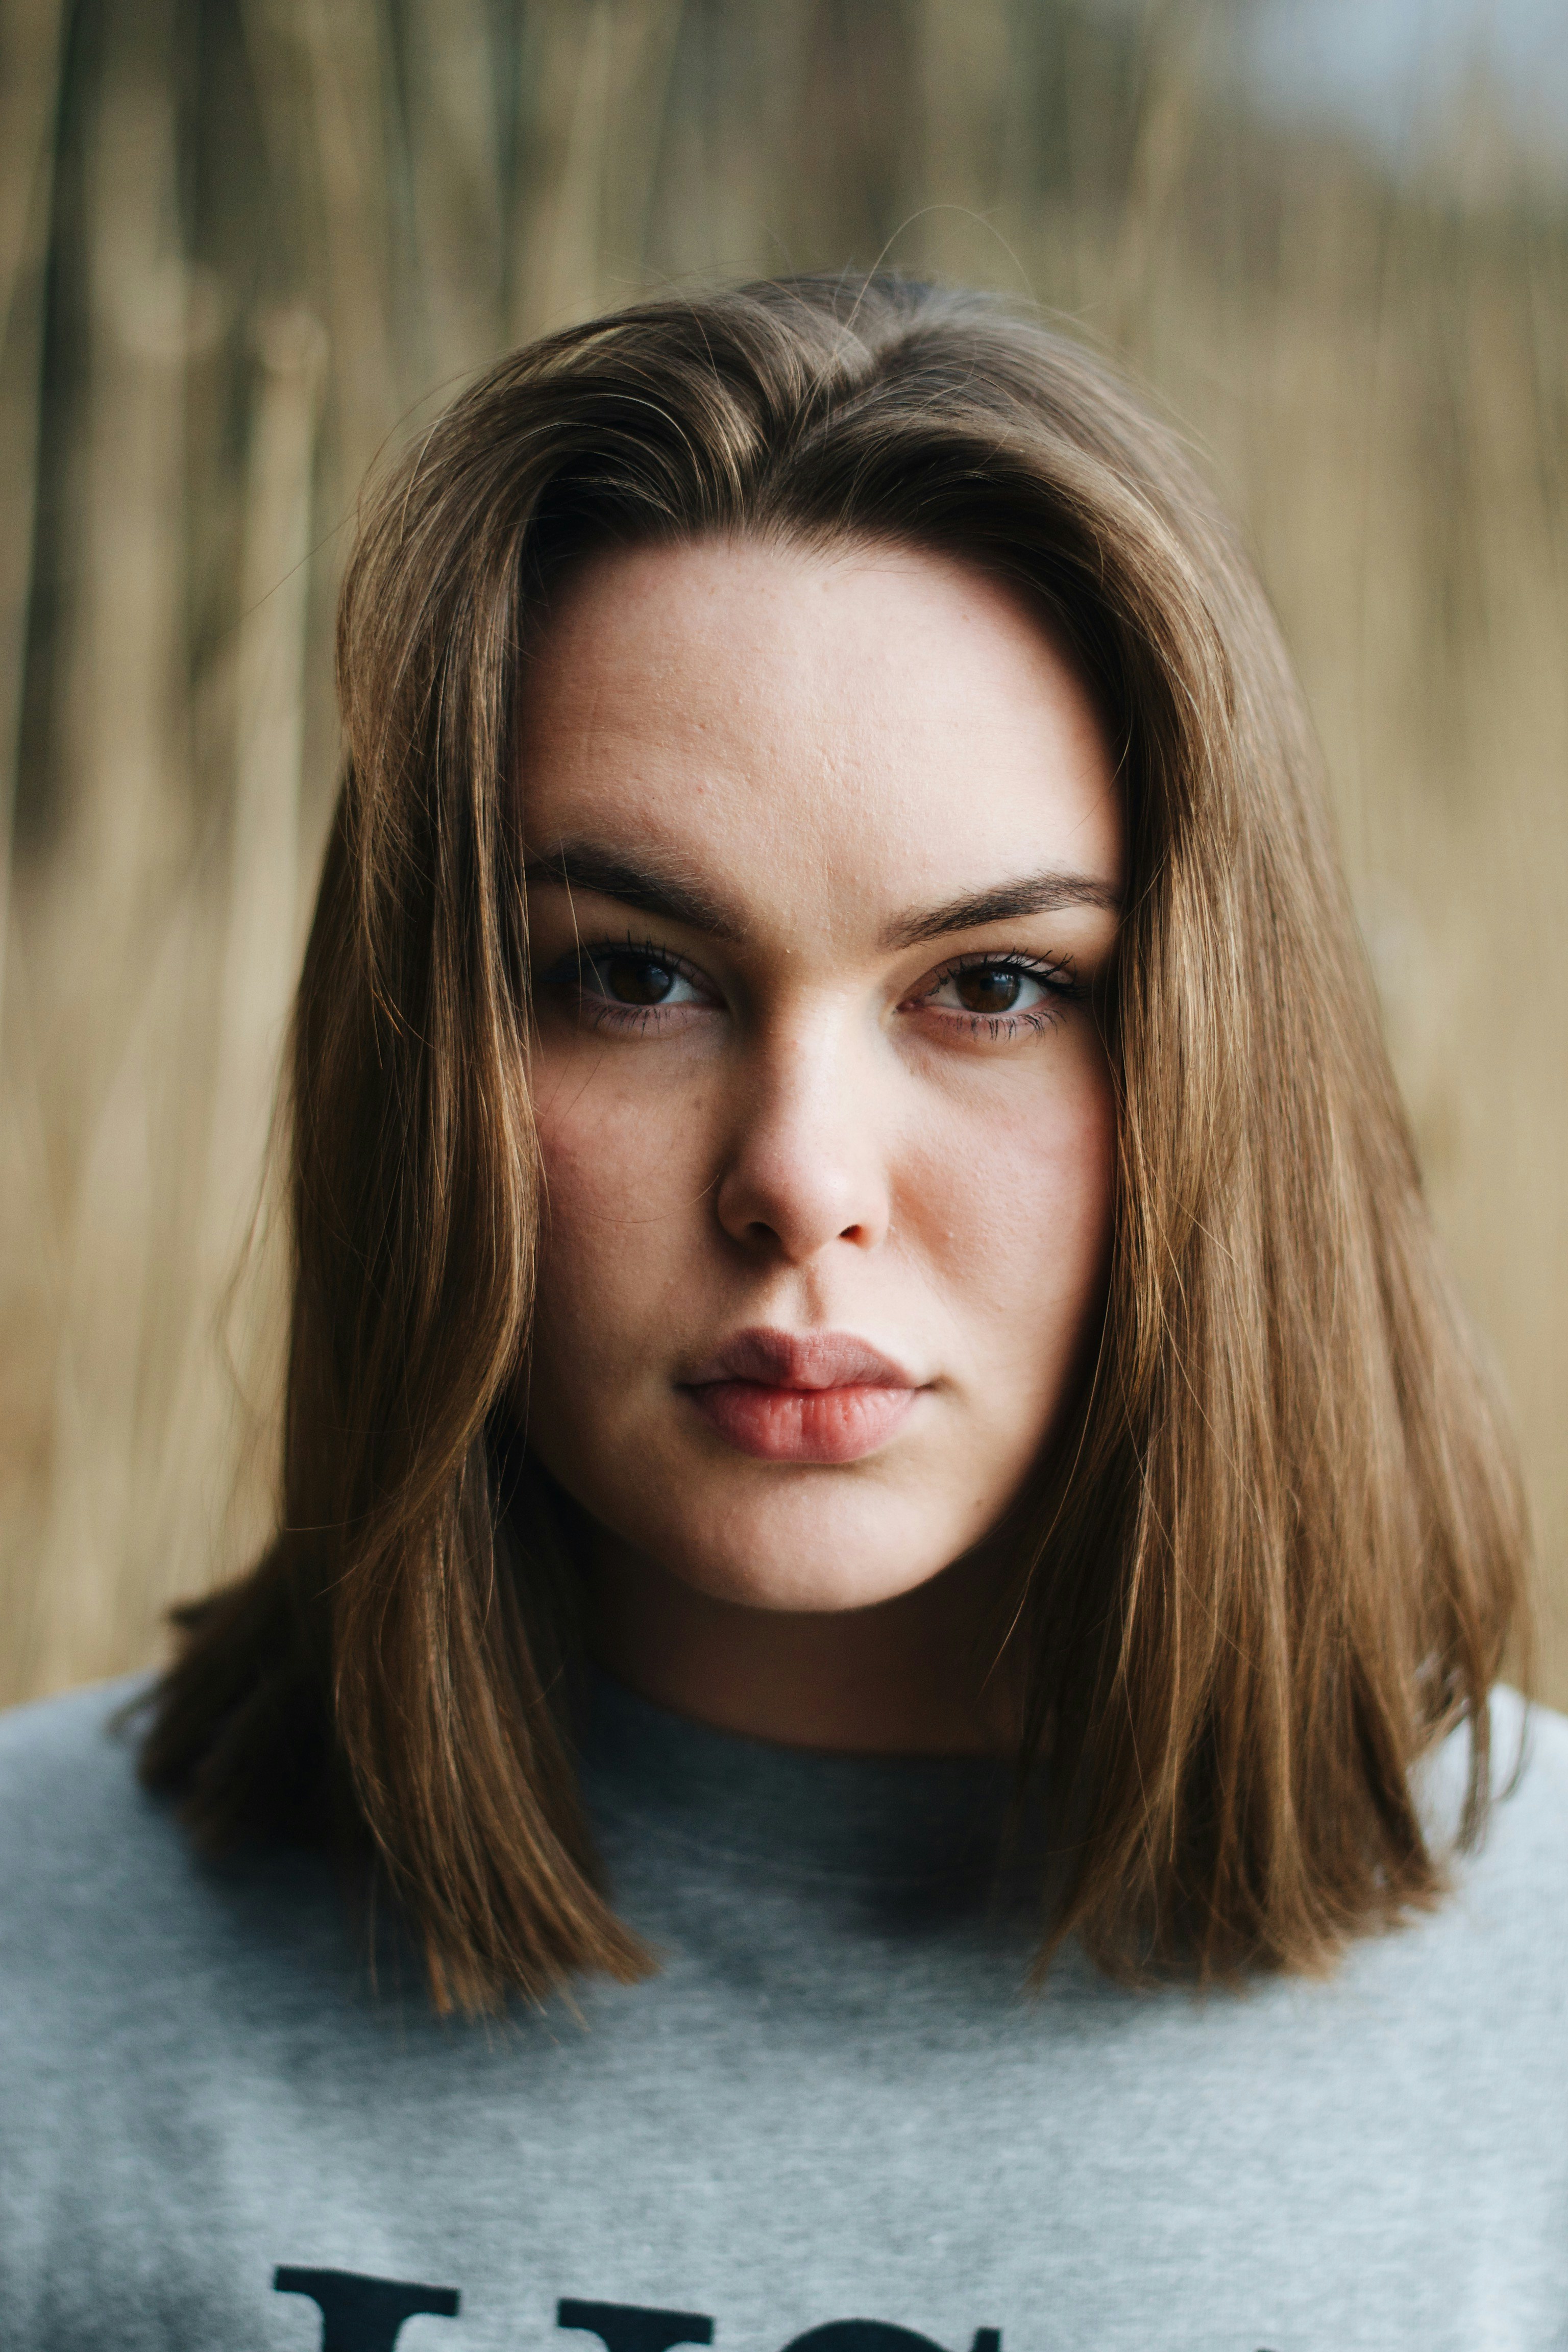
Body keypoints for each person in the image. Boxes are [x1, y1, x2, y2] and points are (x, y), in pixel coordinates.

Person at [1, 275, 1563, 2352]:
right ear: (424, 1062)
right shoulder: (41, 1960)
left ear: (1219, 1066)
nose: (805, 1178)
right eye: (632, 976)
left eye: (994, 988)